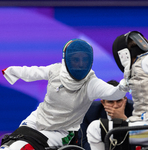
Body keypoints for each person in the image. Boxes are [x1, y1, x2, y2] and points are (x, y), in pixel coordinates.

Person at [0, 39, 128, 150]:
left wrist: (125, 83)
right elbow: (33, 72)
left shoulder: (91, 84)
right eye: (76, 59)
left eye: (84, 60)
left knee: (24, 147)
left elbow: (114, 93)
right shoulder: (56, 70)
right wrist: (12, 71)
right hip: (37, 119)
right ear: (67, 59)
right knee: (9, 146)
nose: (81, 64)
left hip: (61, 131)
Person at [77, 80, 134, 150]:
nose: (115, 106)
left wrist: (125, 120)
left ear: (125, 100)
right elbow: (83, 143)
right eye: (110, 102)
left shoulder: (134, 109)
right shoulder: (88, 111)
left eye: (119, 101)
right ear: (103, 102)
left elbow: (141, 141)